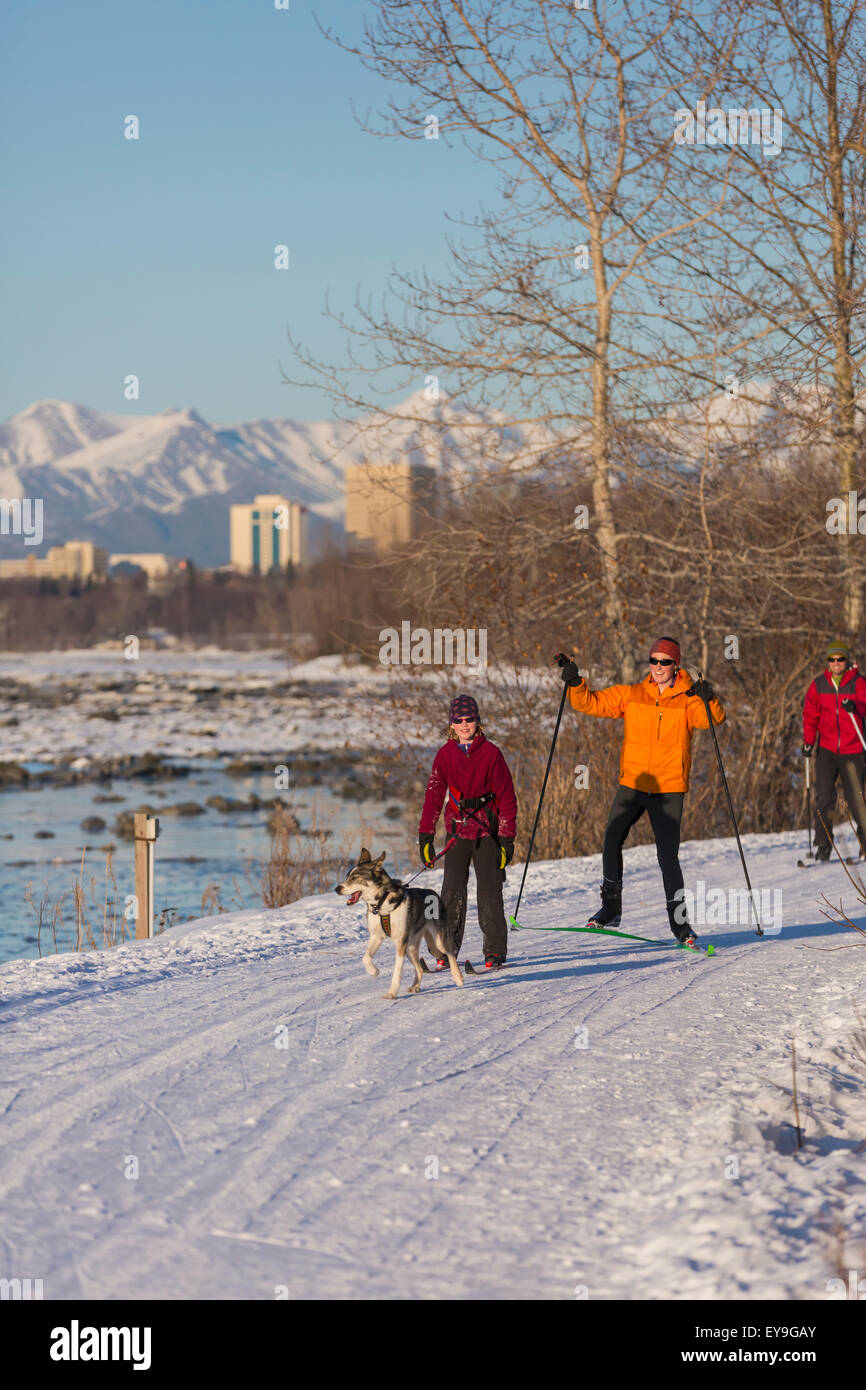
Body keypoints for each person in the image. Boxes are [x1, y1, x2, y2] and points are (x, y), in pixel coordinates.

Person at [557, 637, 725, 945]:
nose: (658, 667)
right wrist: (575, 683)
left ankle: (681, 926)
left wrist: (708, 698)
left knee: (667, 856)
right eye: (654, 660)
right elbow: (590, 702)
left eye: (665, 662)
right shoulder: (633, 694)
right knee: (611, 838)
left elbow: (713, 719)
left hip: (669, 787)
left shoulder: (687, 699)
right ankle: (611, 908)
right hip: (633, 783)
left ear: (676, 665)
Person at [418, 694, 517, 969]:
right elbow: (434, 797)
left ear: (478, 722)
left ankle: (494, 952)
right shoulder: (445, 755)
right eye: (459, 720)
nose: (464, 725)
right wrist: (425, 836)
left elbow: (508, 800)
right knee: (450, 892)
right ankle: (443, 952)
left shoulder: (491, 754)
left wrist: (507, 840)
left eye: (469, 719)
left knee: (489, 893)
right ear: (451, 724)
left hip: (487, 832)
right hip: (457, 831)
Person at [802, 639, 866, 861]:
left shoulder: (858, 683)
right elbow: (811, 715)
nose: (836, 663)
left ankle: (864, 843)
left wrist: (856, 707)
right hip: (828, 749)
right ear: (828, 662)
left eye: (840, 659)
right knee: (823, 797)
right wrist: (809, 741)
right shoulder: (819, 685)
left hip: (853, 748)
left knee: (856, 798)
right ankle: (823, 844)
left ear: (846, 661)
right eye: (832, 659)